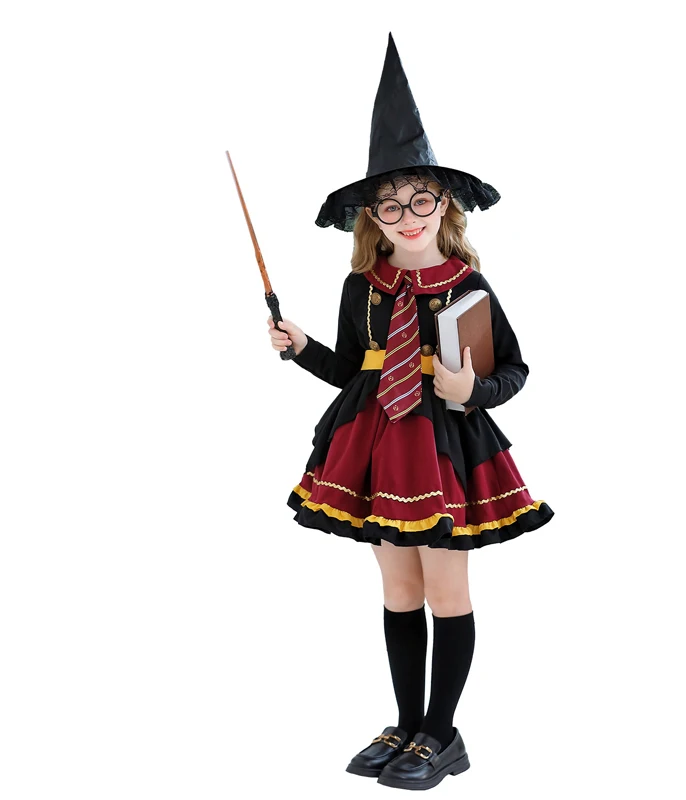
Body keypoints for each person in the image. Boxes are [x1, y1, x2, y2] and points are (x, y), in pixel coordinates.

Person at [266, 33, 554, 792]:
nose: (407, 216)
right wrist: (302, 347)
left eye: (420, 200)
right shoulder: (362, 286)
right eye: (390, 205)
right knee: (399, 592)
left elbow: (513, 370)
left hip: (443, 450)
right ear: (373, 215)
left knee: (446, 591)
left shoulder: (469, 286)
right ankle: (405, 723)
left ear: (444, 203)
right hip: (373, 447)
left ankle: (442, 733)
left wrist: (470, 392)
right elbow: (350, 372)